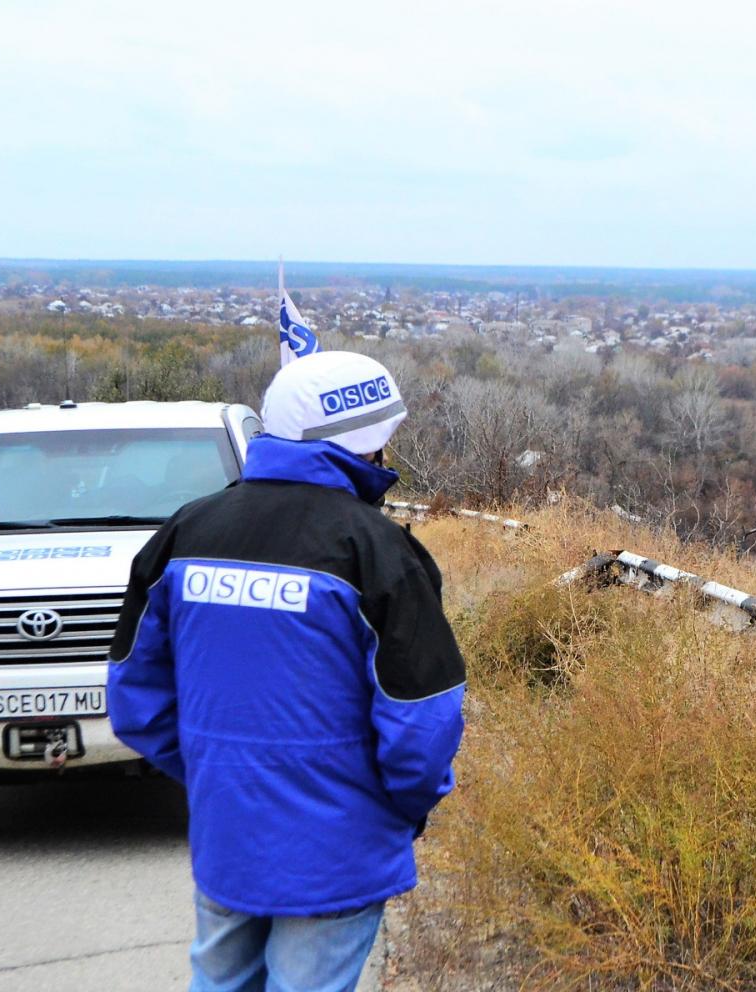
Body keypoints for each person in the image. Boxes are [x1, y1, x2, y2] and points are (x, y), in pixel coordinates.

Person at [108, 351, 465, 992]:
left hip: (228, 831)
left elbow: (136, 699)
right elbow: (423, 721)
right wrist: (402, 809)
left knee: (218, 982)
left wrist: (218, 769)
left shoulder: (187, 532)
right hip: (337, 847)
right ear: (362, 444)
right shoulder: (378, 552)